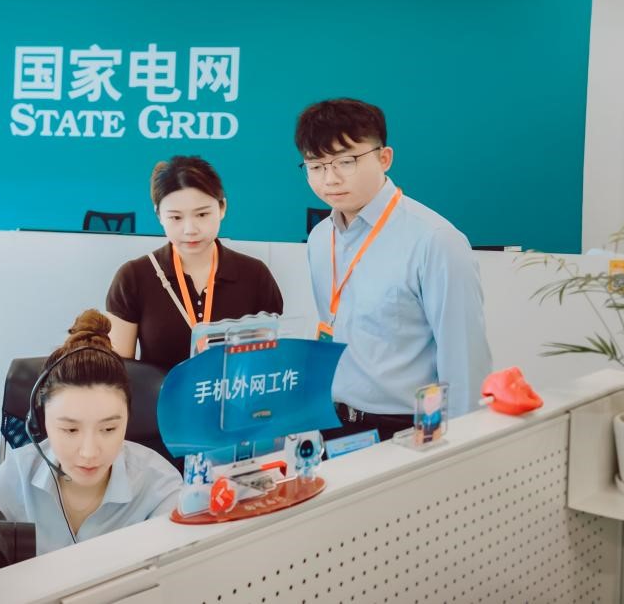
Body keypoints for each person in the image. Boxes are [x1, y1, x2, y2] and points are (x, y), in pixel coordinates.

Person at [295, 98, 492, 442]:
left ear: (384, 158)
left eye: (345, 161)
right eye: (316, 166)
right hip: (334, 423)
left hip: (405, 428)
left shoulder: (435, 240)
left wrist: (460, 447)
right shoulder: (320, 237)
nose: (330, 179)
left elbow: (464, 363)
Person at [0, 310, 181, 555]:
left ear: (129, 419)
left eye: (108, 429)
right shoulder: (16, 475)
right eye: (70, 429)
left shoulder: (159, 487)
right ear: (40, 421)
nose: (89, 452)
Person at [105, 156, 284, 369]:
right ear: (159, 215)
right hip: (160, 392)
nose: (190, 229)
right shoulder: (133, 277)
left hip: (234, 391)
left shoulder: (255, 275)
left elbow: (267, 363)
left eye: (202, 214)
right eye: (176, 218)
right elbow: (119, 371)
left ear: (222, 208)